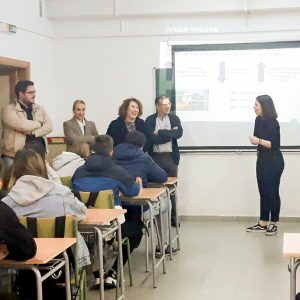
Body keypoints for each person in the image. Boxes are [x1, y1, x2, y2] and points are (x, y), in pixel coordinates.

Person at [72, 134, 141, 289]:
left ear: (93, 151)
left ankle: (98, 275)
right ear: (111, 152)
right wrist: (138, 183)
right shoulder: (117, 171)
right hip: (110, 226)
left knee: (101, 237)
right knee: (135, 231)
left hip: (83, 226)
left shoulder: (79, 172)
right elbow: (133, 191)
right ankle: (113, 273)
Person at [1, 148, 90, 267]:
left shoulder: (6, 204)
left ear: (14, 169)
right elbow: (82, 213)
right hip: (64, 264)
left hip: (23, 267)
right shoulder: (62, 193)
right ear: (42, 167)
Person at [113, 131, 177, 256]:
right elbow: (162, 177)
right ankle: (163, 245)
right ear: (142, 145)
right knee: (166, 202)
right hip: (140, 207)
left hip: (117, 208)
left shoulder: (113, 155)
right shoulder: (143, 157)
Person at [246, 95, 284, 236]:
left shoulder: (273, 123)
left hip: (274, 162)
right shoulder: (258, 120)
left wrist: (259, 141)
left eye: (256, 105)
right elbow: (257, 139)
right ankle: (262, 223)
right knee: (263, 192)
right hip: (261, 161)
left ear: (264, 106)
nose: (253, 107)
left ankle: (273, 223)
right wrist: (257, 142)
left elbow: (274, 145)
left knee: (272, 192)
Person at [146, 95, 183, 227]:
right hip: (155, 158)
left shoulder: (174, 118)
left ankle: (173, 218)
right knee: (155, 188)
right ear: (158, 106)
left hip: (170, 158)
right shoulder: (150, 120)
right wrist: (169, 134)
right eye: (164, 105)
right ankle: (154, 217)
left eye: (169, 104)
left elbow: (178, 134)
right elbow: (151, 139)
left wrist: (160, 132)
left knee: (172, 190)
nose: (168, 107)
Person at [1, 80, 53, 170]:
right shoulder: (8, 109)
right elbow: (21, 125)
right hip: (14, 156)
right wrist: (39, 123)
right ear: (21, 94)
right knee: (12, 182)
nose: (34, 95)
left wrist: (34, 133)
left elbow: (50, 126)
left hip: (37, 155)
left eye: (34, 92)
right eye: (30, 92)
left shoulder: (39, 108)